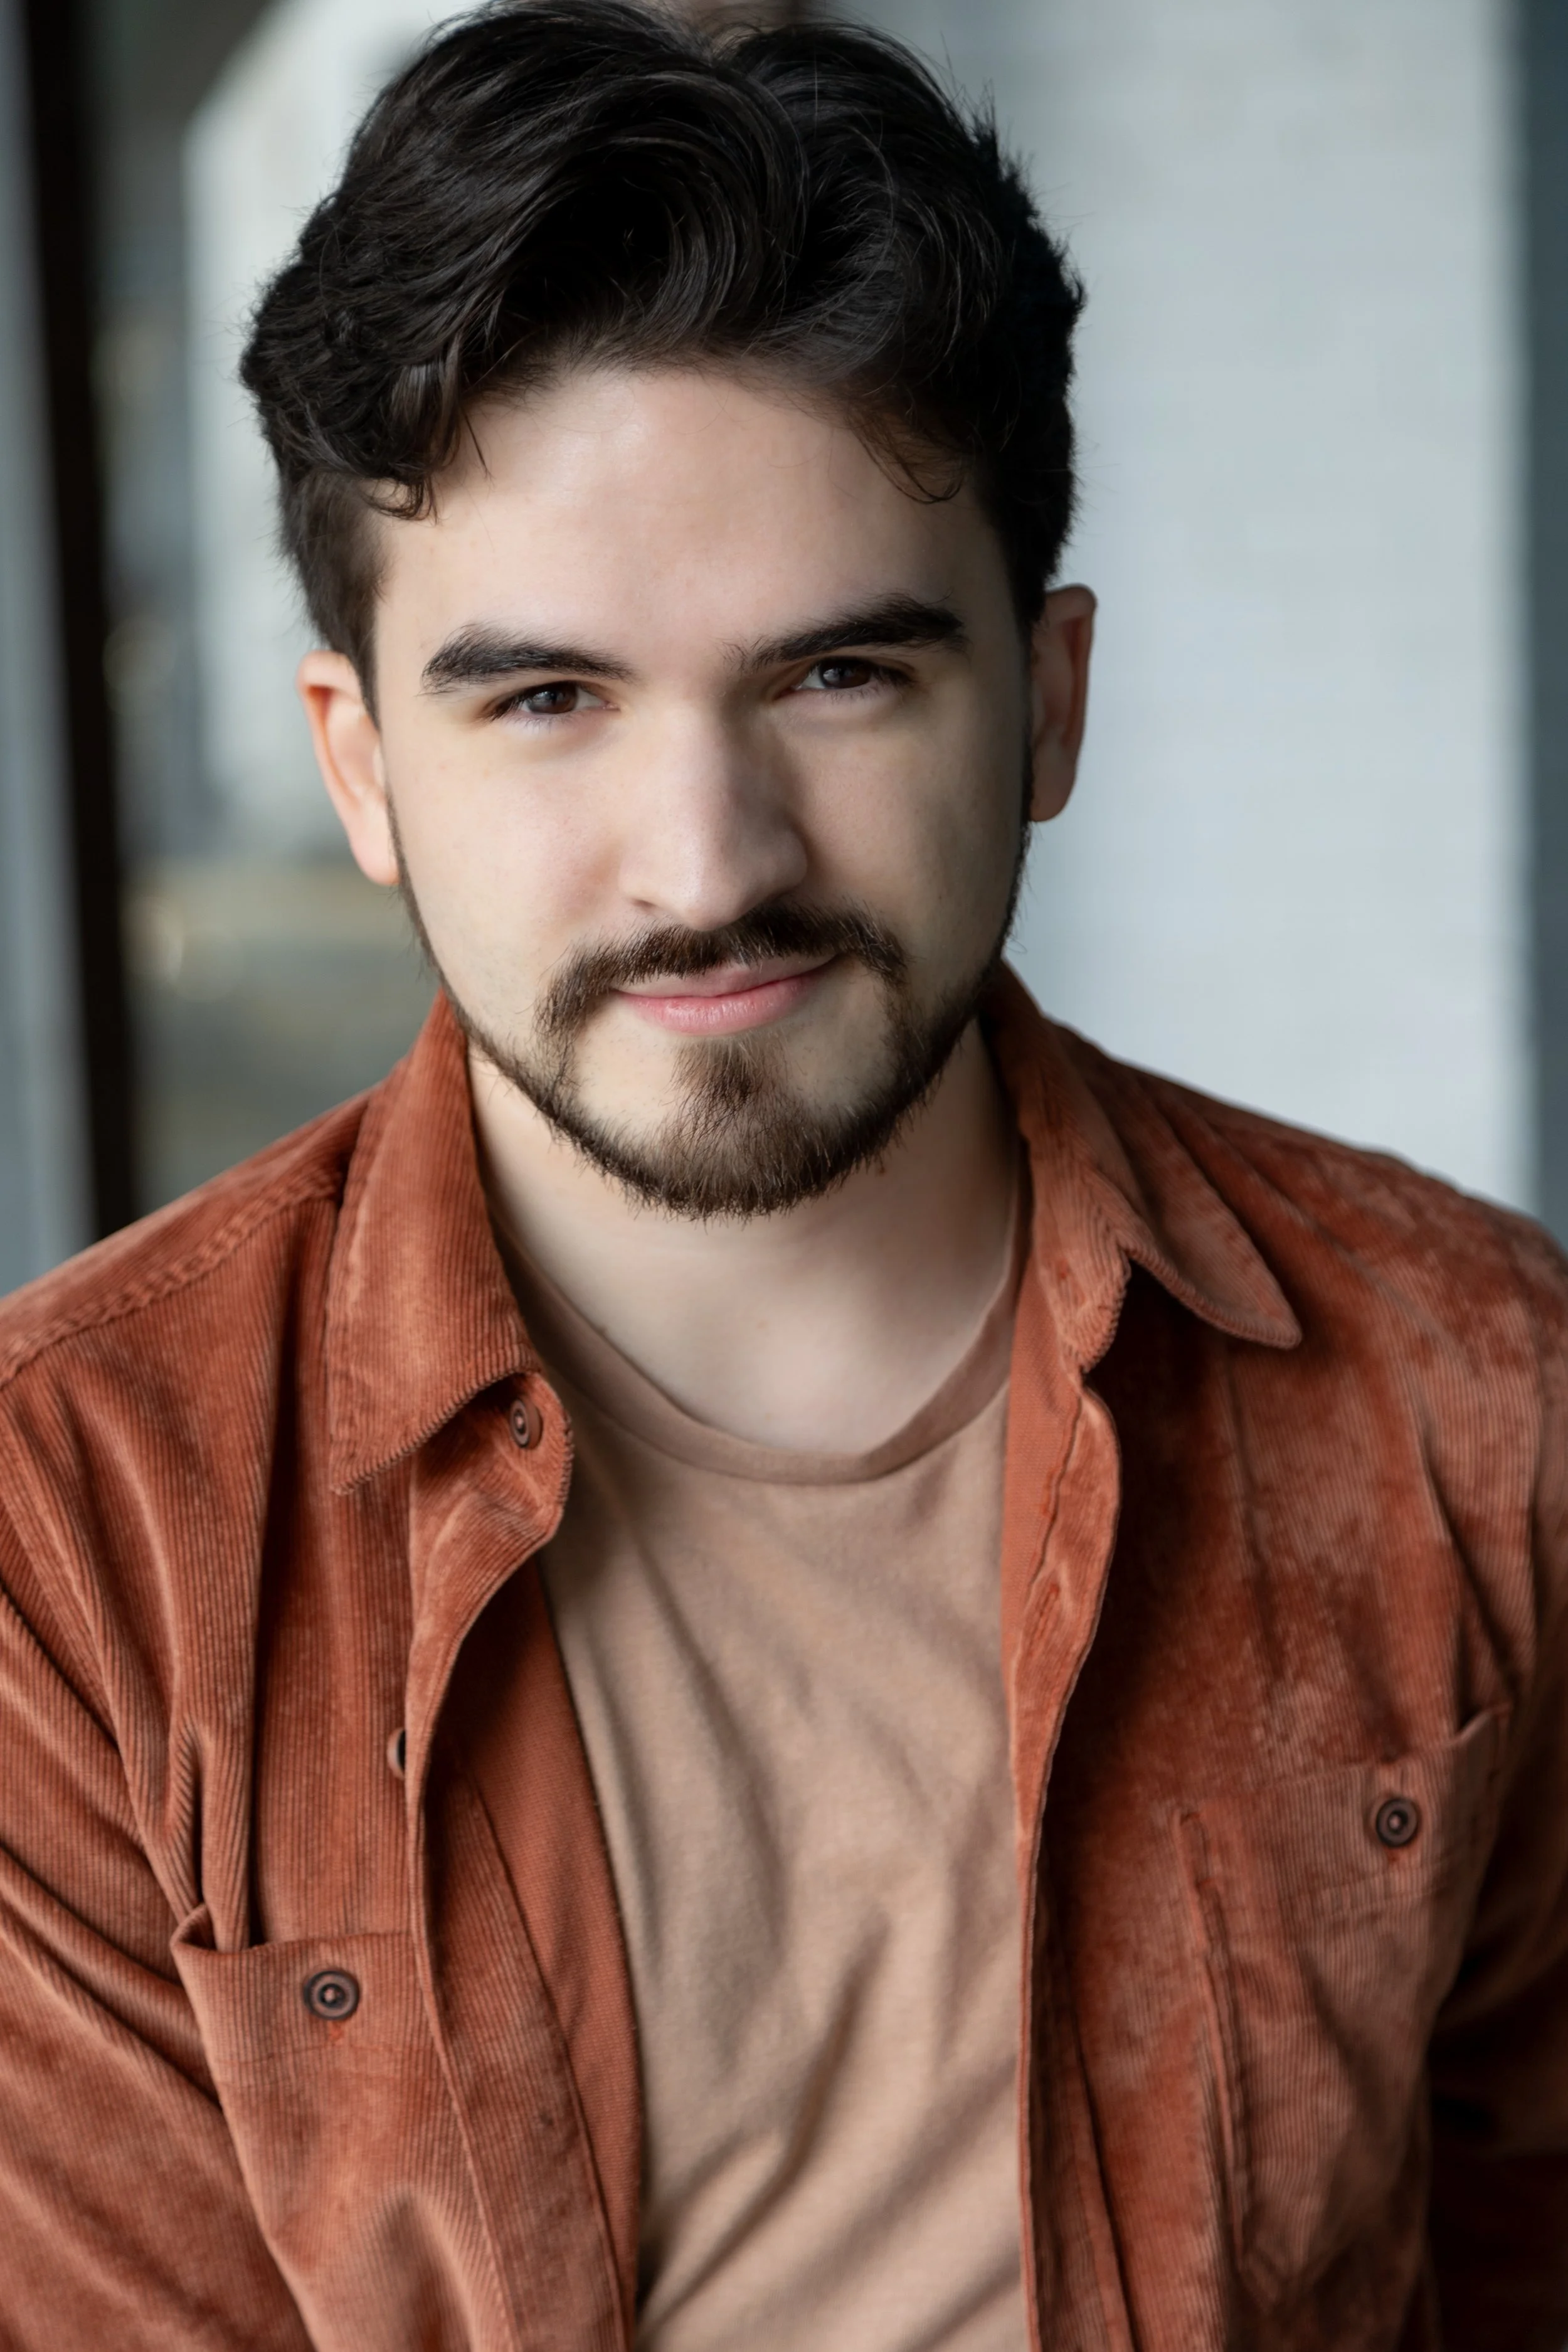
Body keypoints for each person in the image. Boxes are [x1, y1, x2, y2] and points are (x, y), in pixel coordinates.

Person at [1, 4, 1564, 2345]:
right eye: (544, 698)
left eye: (838, 676)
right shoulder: (76, 1517)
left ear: (1044, 701)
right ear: (360, 764)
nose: (705, 858)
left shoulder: (1476, 1387)